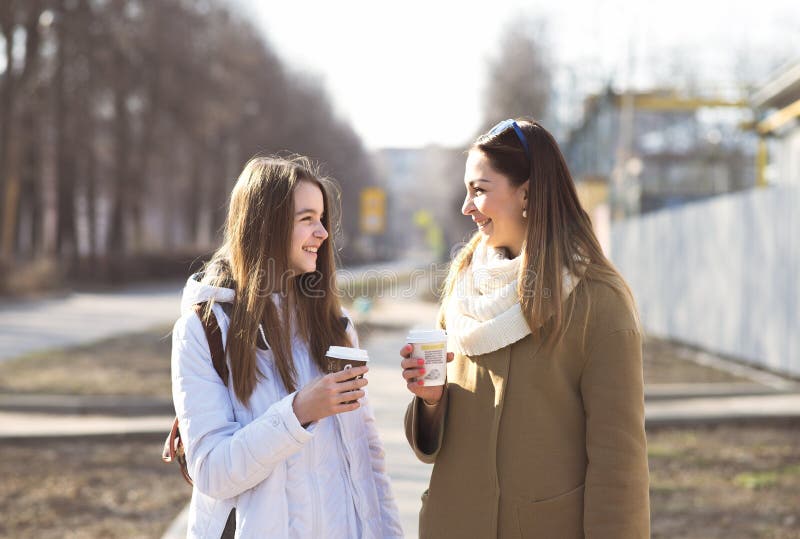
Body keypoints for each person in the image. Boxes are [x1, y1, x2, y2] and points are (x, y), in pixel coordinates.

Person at [400, 119, 650, 538]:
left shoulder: (598, 302)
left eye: (479, 190)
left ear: (527, 193)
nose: (467, 207)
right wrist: (430, 402)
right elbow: (436, 445)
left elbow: (619, 466)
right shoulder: (464, 286)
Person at [172, 155, 403, 538]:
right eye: (307, 219)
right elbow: (212, 472)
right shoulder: (206, 330)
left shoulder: (336, 327)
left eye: (322, 219)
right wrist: (298, 412)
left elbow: (368, 462)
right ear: (266, 225)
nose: (323, 233)